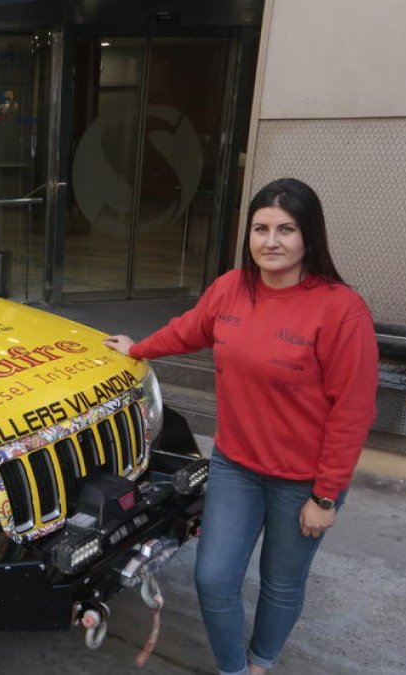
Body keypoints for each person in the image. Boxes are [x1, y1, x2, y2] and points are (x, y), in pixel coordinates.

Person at [104, 178, 377, 675]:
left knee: (281, 582)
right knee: (213, 578)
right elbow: (190, 328)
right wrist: (138, 348)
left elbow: (353, 411)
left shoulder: (340, 310)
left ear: (308, 237)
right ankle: (234, 669)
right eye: (260, 228)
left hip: (304, 481)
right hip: (236, 466)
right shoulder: (232, 288)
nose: (271, 241)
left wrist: (326, 496)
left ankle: (260, 663)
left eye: (286, 229)